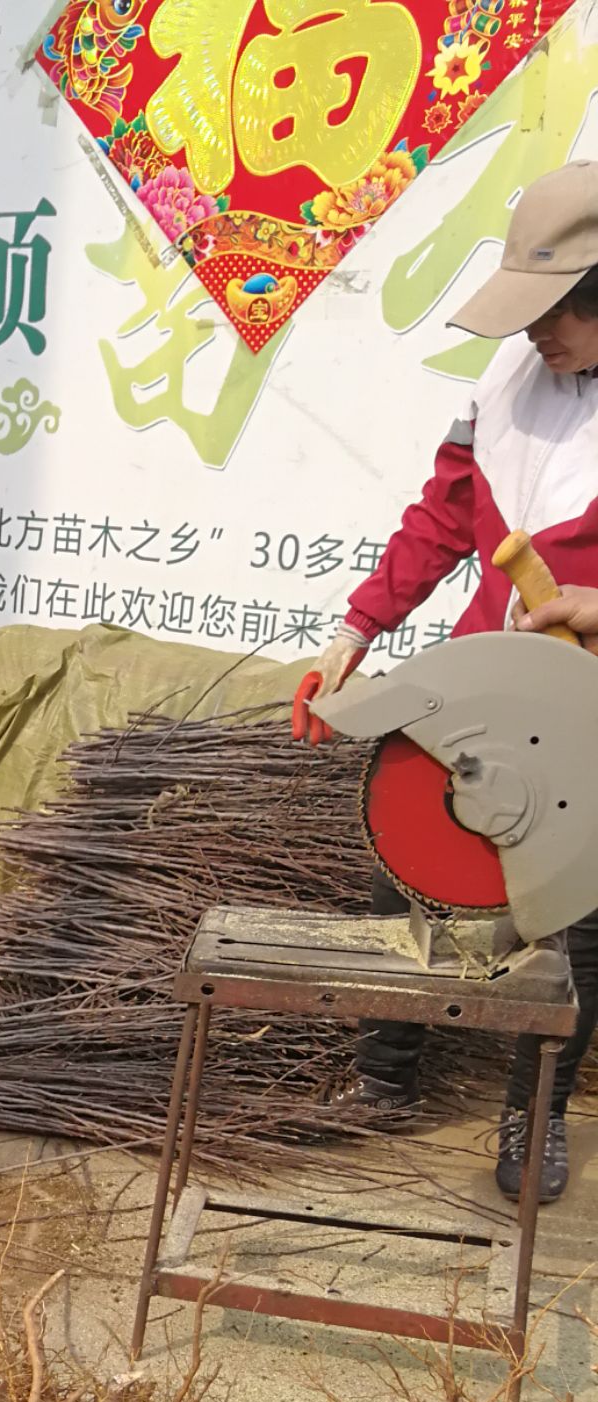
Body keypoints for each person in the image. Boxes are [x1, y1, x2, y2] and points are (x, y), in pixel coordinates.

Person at [313, 160, 598, 1204]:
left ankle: (536, 1110)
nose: (535, 335)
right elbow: (440, 521)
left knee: (572, 918)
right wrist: (357, 625)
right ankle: (386, 1076)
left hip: (590, 713)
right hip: (485, 687)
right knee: (413, 864)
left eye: (556, 313)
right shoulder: (506, 391)